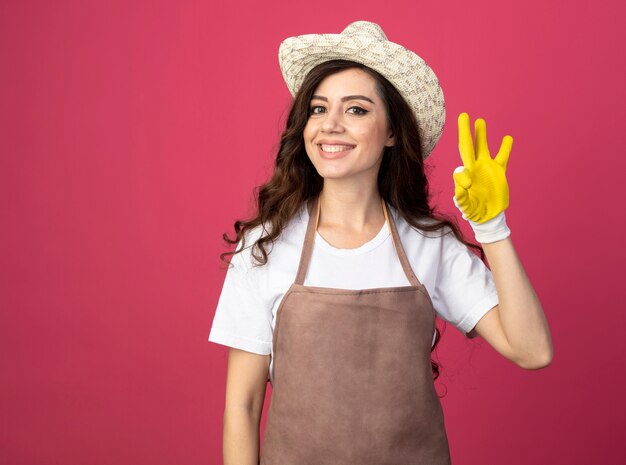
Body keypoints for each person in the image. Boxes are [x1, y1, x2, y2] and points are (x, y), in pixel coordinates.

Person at [208, 20, 553, 465]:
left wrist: (492, 228)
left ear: (392, 132)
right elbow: (243, 404)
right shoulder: (265, 246)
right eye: (317, 108)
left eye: (356, 110)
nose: (330, 125)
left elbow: (533, 351)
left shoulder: (428, 244)